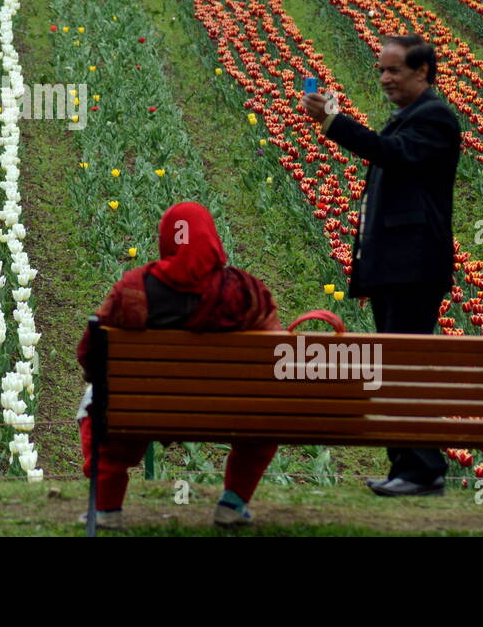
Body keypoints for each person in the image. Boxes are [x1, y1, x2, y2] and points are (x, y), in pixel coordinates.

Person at [301, 34, 461, 497]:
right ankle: (410, 466)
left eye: (394, 70)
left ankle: (419, 470)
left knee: (403, 365)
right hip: (395, 265)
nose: (385, 79)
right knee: (395, 365)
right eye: (381, 70)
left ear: (424, 72)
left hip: (414, 266)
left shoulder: (434, 118)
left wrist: (333, 122)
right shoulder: (410, 116)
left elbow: (391, 154)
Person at [77, 202, 282, 530]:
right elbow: (274, 350)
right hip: (230, 410)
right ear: (213, 238)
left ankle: (106, 507)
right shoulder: (244, 291)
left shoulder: (134, 288)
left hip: (144, 409)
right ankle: (232, 503)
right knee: (264, 423)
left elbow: (91, 351)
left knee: (99, 406)